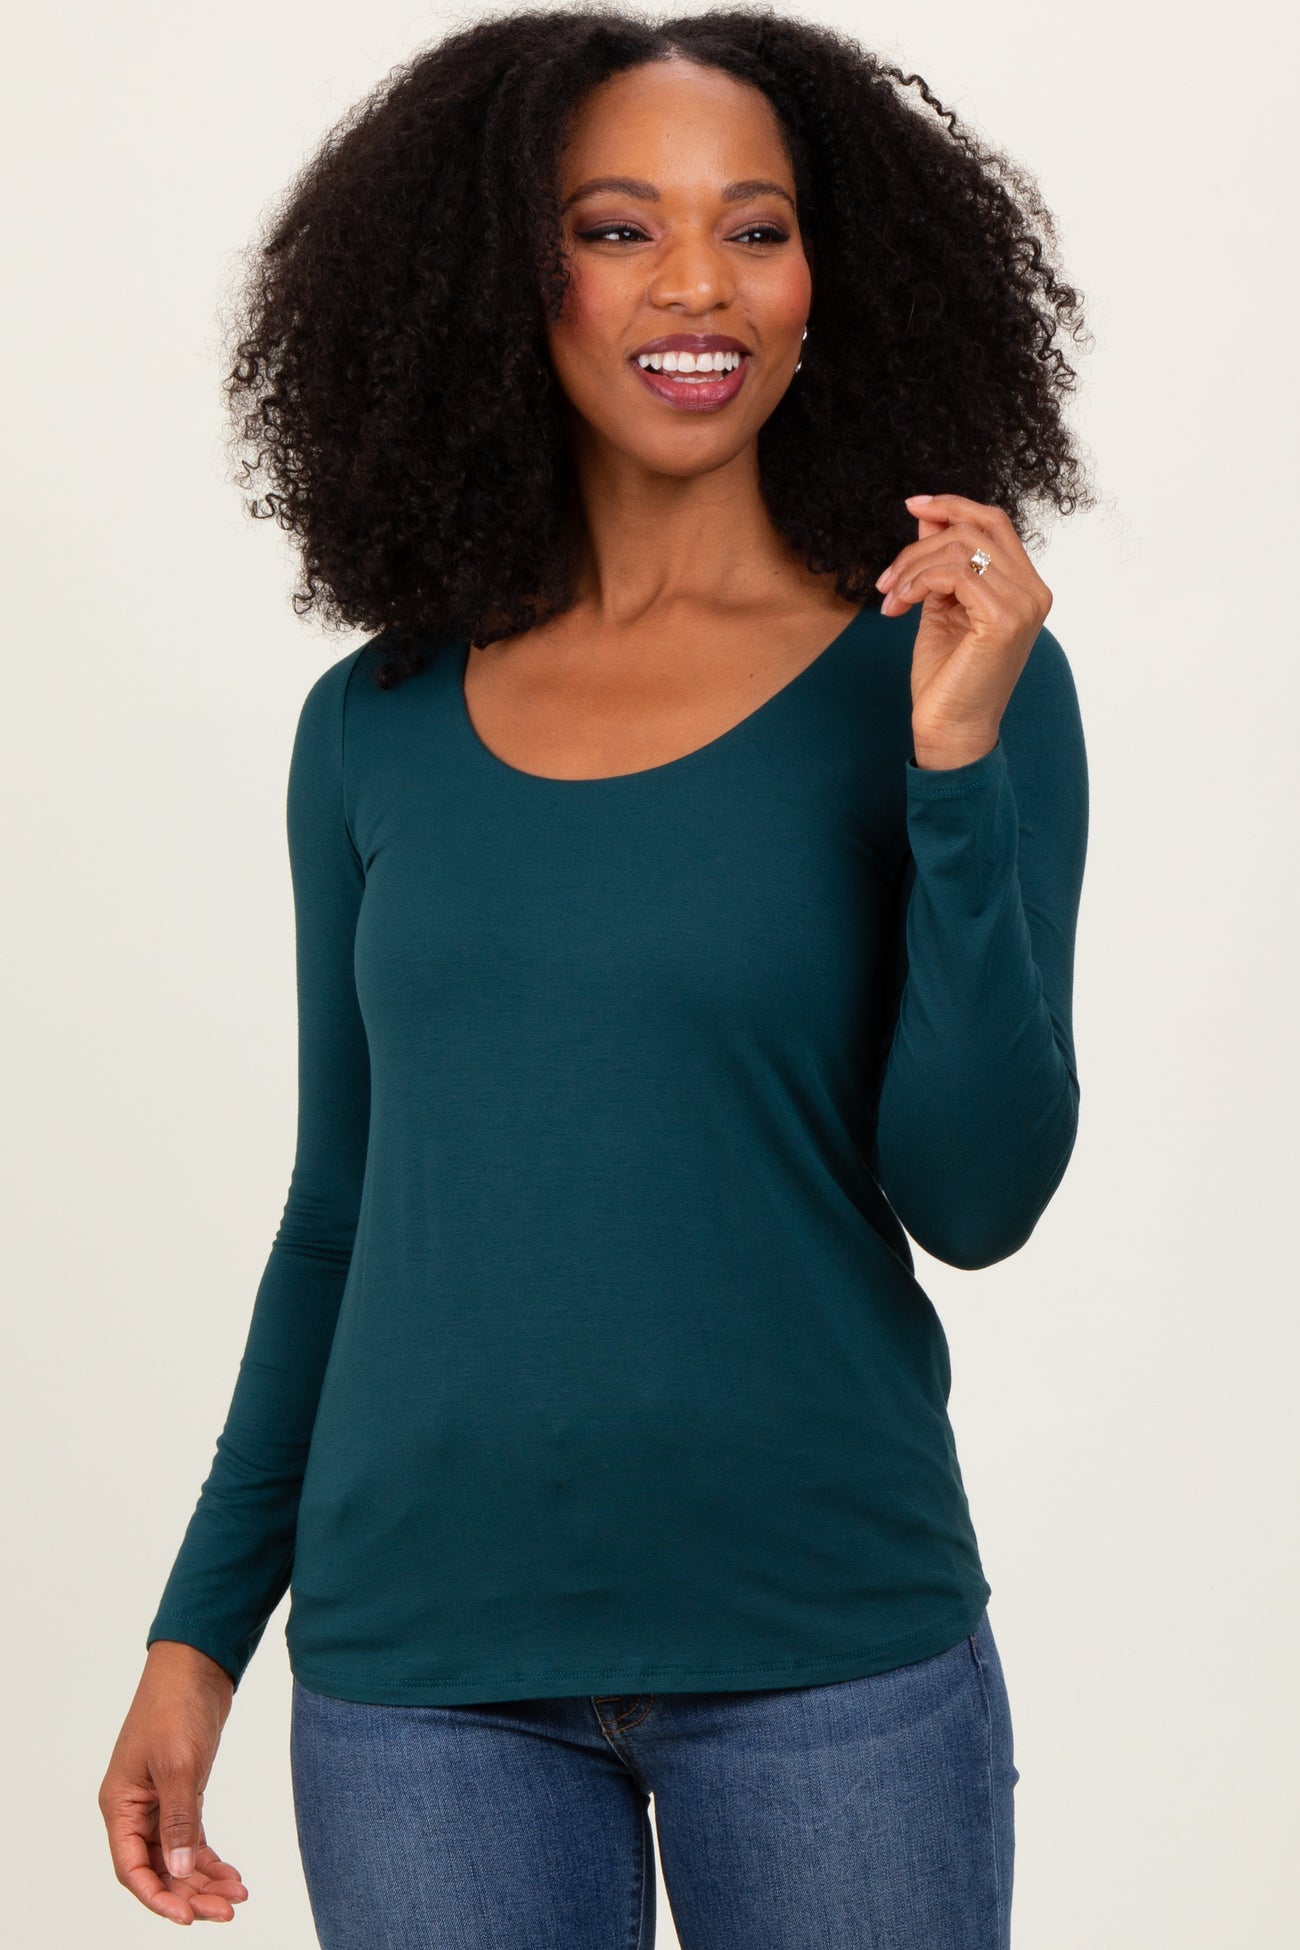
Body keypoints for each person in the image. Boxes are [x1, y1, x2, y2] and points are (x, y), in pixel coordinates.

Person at [99, 7, 1094, 1944]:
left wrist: (954, 769)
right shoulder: (373, 724)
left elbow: (977, 1195)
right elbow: (339, 1215)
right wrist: (197, 1634)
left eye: (756, 227)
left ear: (829, 281)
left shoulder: (946, 671)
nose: (696, 283)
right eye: (616, 228)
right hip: (420, 1683)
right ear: (504, 277)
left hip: (824, 1644)